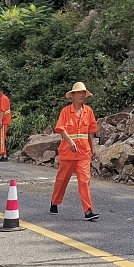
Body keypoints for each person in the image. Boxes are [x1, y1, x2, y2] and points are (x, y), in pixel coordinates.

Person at [50, 81, 99, 220]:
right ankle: (54, 202)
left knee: (84, 181)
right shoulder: (65, 111)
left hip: (83, 152)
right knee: (62, 180)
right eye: (79, 92)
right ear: (73, 95)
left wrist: (93, 148)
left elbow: (90, 131)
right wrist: (70, 141)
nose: (82, 95)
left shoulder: (88, 111)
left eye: (83, 93)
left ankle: (88, 211)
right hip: (67, 152)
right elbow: (61, 129)